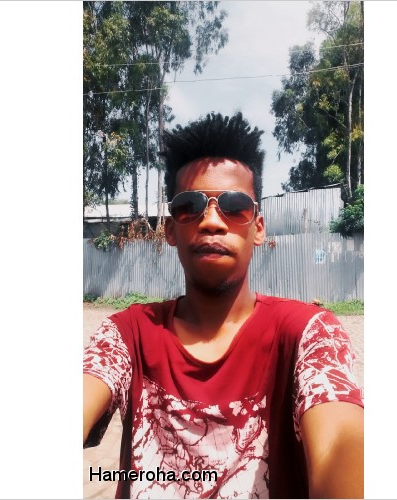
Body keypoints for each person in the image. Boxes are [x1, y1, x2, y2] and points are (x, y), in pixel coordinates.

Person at [83, 112, 364, 499]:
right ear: (170, 230)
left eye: (234, 206)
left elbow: (339, 448)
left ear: (258, 228)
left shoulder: (309, 336)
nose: (212, 222)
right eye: (190, 205)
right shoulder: (128, 335)